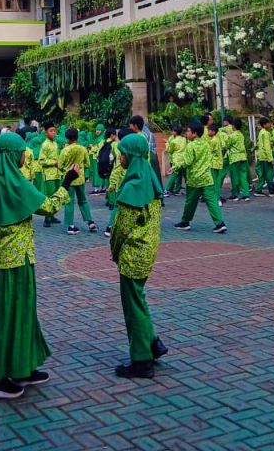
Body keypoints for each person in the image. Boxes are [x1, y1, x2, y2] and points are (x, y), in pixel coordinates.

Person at [0, 132, 77, 399]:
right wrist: (67, 182)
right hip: (15, 262)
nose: (25, 155)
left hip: (9, 258)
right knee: (12, 315)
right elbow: (47, 207)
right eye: (22, 151)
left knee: (23, 313)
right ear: (13, 155)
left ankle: (23, 367)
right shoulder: (15, 182)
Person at [110, 132, 166, 380]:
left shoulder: (132, 187)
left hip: (132, 254)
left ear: (131, 156)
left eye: (122, 154)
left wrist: (114, 251)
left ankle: (141, 361)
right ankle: (153, 343)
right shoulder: (150, 179)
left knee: (132, 307)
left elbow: (120, 229)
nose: (120, 158)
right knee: (139, 300)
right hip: (148, 250)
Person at [171, 121, 227, 234]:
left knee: (190, 202)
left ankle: (185, 222)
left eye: (188, 131)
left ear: (195, 133)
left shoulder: (191, 145)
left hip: (194, 179)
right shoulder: (206, 144)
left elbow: (187, 162)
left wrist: (175, 167)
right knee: (212, 201)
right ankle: (220, 224)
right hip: (207, 178)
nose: (186, 133)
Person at [57, 127, 97, 234]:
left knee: (69, 202)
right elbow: (87, 164)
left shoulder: (65, 150)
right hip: (80, 178)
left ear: (67, 138)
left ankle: (70, 226)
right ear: (77, 137)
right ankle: (90, 222)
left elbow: (60, 166)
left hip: (69, 179)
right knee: (83, 200)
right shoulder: (83, 149)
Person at [37, 124, 62, 227]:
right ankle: (47, 219)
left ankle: (52, 216)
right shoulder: (45, 144)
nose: (53, 133)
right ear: (46, 133)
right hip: (49, 175)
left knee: (55, 196)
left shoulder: (55, 143)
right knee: (49, 196)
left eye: (54, 131)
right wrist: (54, 162)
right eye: (51, 131)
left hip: (57, 174)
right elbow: (41, 161)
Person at [128, 115, 162, 186]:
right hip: (152, 154)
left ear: (135, 125)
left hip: (148, 157)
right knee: (154, 177)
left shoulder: (140, 136)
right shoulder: (147, 132)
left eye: (130, 126)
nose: (130, 128)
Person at [226, 117, 250, 201]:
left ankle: (235, 194)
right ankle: (246, 194)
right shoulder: (241, 135)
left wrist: (228, 136)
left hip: (234, 158)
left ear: (233, 126)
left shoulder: (232, 135)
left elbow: (227, 145)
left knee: (235, 177)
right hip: (243, 157)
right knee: (243, 176)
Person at [253, 117, 274, 197]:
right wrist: (271, 158)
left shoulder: (261, 132)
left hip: (260, 156)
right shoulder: (266, 133)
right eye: (268, 123)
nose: (270, 124)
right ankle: (272, 191)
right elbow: (267, 146)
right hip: (266, 157)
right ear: (265, 124)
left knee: (262, 174)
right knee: (269, 174)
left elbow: (259, 144)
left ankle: (258, 190)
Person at [164, 125, 186, 197]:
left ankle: (167, 190)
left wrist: (167, 143)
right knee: (179, 175)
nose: (172, 132)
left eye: (172, 131)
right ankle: (177, 190)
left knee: (173, 174)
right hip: (183, 159)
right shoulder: (184, 139)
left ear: (175, 132)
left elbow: (170, 150)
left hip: (176, 159)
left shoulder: (173, 141)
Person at [206, 122, 225, 206]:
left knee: (213, 183)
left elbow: (208, 152)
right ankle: (217, 198)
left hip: (213, 163)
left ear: (213, 131)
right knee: (217, 182)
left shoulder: (213, 141)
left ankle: (216, 199)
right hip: (219, 163)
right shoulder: (217, 139)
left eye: (209, 131)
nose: (208, 132)